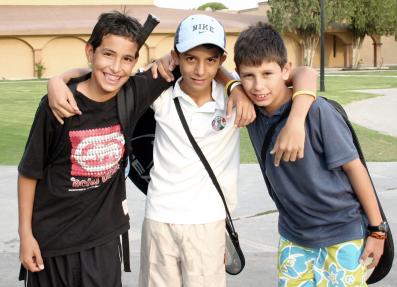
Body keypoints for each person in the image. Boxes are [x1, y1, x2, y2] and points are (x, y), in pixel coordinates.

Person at [46, 15, 317, 287]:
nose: (200, 69)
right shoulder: (161, 93)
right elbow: (112, 76)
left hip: (208, 222)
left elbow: (304, 73)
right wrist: (58, 79)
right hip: (160, 218)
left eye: (210, 60)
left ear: (222, 60)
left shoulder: (238, 95)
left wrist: (241, 89)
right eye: (190, 59)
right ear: (176, 57)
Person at [17, 11, 182, 287]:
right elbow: (29, 173)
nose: (116, 67)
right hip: (51, 244)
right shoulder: (58, 105)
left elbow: (195, 58)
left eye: (127, 59)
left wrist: (233, 86)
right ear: (90, 52)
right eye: (108, 54)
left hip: (103, 244)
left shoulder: (133, 92)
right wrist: (25, 235)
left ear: (134, 62)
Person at [235, 22, 386, 286]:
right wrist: (235, 89)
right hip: (294, 237)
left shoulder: (317, 112)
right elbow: (219, 74)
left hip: (342, 233)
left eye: (267, 73)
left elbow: (355, 168)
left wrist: (377, 231)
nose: (258, 85)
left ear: (285, 70)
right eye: (248, 76)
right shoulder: (252, 112)